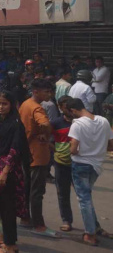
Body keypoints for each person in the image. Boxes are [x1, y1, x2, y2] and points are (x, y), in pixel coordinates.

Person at [64, 96, 113, 246]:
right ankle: (95, 227)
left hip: (81, 165)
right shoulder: (103, 120)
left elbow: (73, 149)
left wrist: (75, 151)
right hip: (96, 166)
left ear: (72, 110)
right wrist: (96, 149)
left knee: (83, 199)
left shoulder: (77, 124)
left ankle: (90, 233)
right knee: (87, 197)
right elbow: (111, 146)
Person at [0, 91, 29, 253]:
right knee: (3, 206)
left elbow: (15, 149)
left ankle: (11, 245)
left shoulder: (15, 123)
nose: (0, 106)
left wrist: (5, 171)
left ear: (11, 105)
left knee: (8, 208)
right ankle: (7, 241)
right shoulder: (2, 121)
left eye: (4, 103)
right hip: (1, 166)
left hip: (10, 170)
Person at [19, 78, 58, 237]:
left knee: (27, 188)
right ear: (36, 91)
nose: (49, 94)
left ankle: (25, 218)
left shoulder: (25, 104)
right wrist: (46, 135)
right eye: (46, 91)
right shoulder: (37, 108)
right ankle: (39, 224)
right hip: (38, 154)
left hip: (25, 151)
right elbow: (46, 124)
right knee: (37, 191)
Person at [50, 95, 75, 234]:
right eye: (66, 106)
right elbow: (47, 140)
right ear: (60, 108)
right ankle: (66, 220)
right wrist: (57, 152)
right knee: (63, 192)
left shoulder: (79, 122)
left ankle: (92, 224)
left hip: (78, 162)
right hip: (61, 162)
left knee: (83, 195)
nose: (70, 109)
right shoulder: (56, 123)